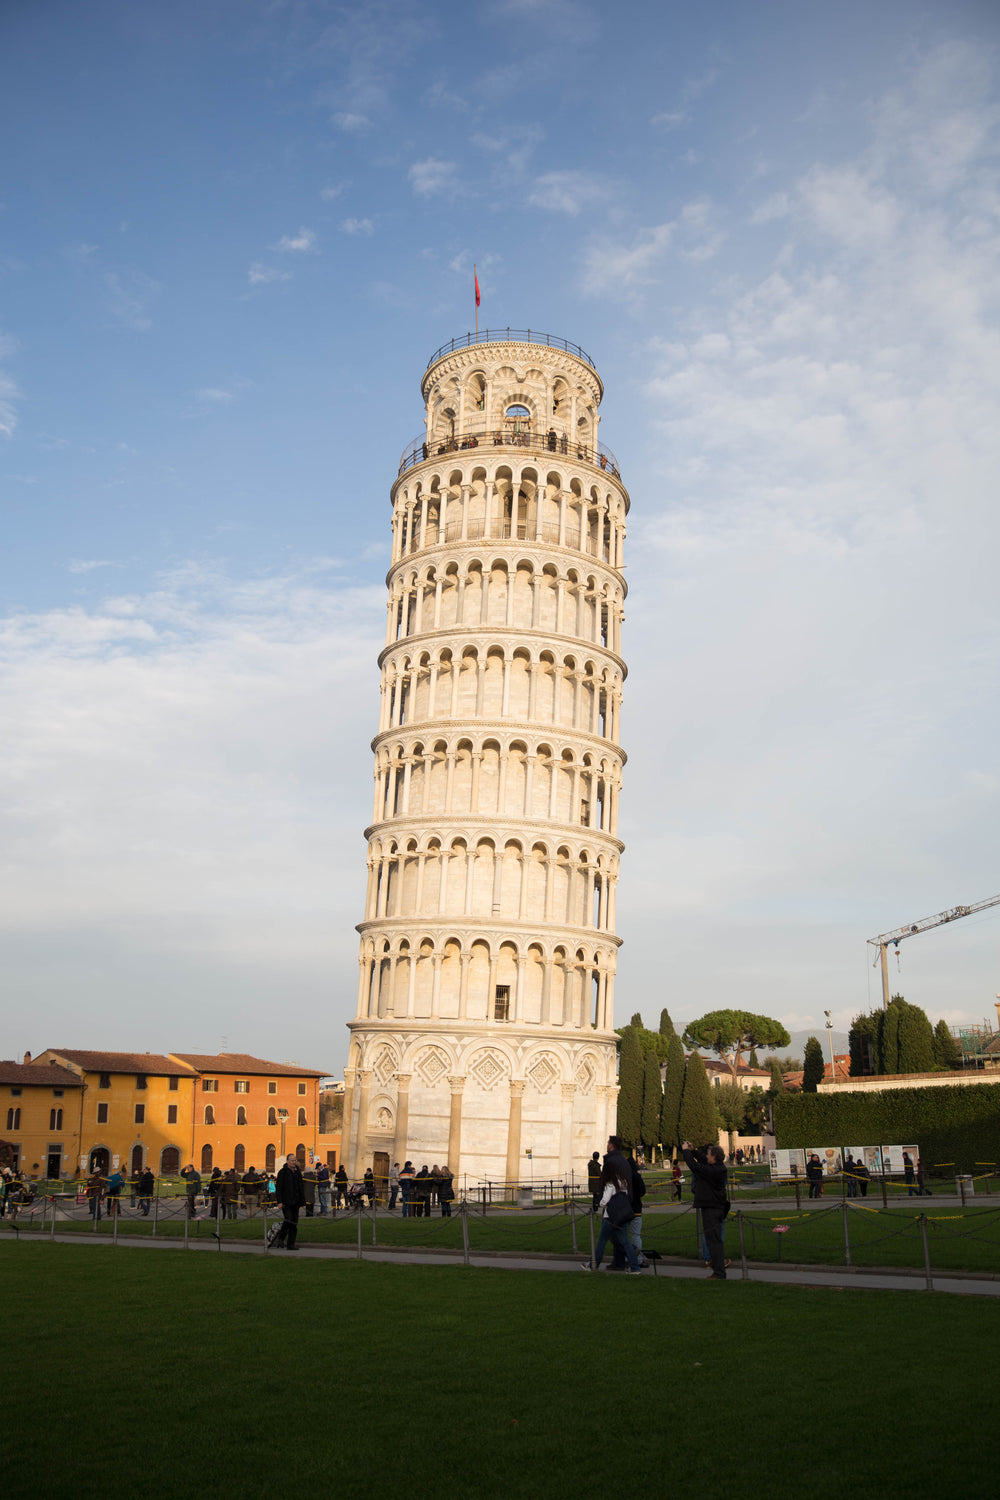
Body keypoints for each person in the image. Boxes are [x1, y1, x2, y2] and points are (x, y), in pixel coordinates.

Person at [580, 1158, 641, 1273]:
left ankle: (593, 1264)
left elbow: (604, 1201)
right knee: (626, 1242)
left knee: (602, 1241)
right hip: (622, 1216)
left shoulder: (610, 1184)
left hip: (610, 1216)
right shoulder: (623, 1182)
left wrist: (600, 1203)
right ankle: (635, 1267)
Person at [682, 1140, 730, 1279]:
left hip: (712, 1208)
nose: (707, 1155)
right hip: (714, 1207)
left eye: (709, 1154)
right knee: (714, 1241)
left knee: (713, 1242)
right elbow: (703, 1160)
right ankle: (718, 1270)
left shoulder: (714, 1171)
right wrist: (693, 1150)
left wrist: (685, 1151)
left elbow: (695, 1166)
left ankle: (719, 1272)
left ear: (714, 1157)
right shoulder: (717, 1167)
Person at [272, 1153, 306, 1250]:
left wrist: (302, 1201)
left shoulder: (297, 1173)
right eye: (292, 1160)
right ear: (287, 1161)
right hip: (286, 1202)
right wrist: (279, 1201)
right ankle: (281, 1237)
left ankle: (291, 1244)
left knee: (294, 1223)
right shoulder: (282, 1173)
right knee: (288, 1220)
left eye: (295, 1160)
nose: (293, 1162)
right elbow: (279, 1188)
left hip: (296, 1202)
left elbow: (300, 1187)